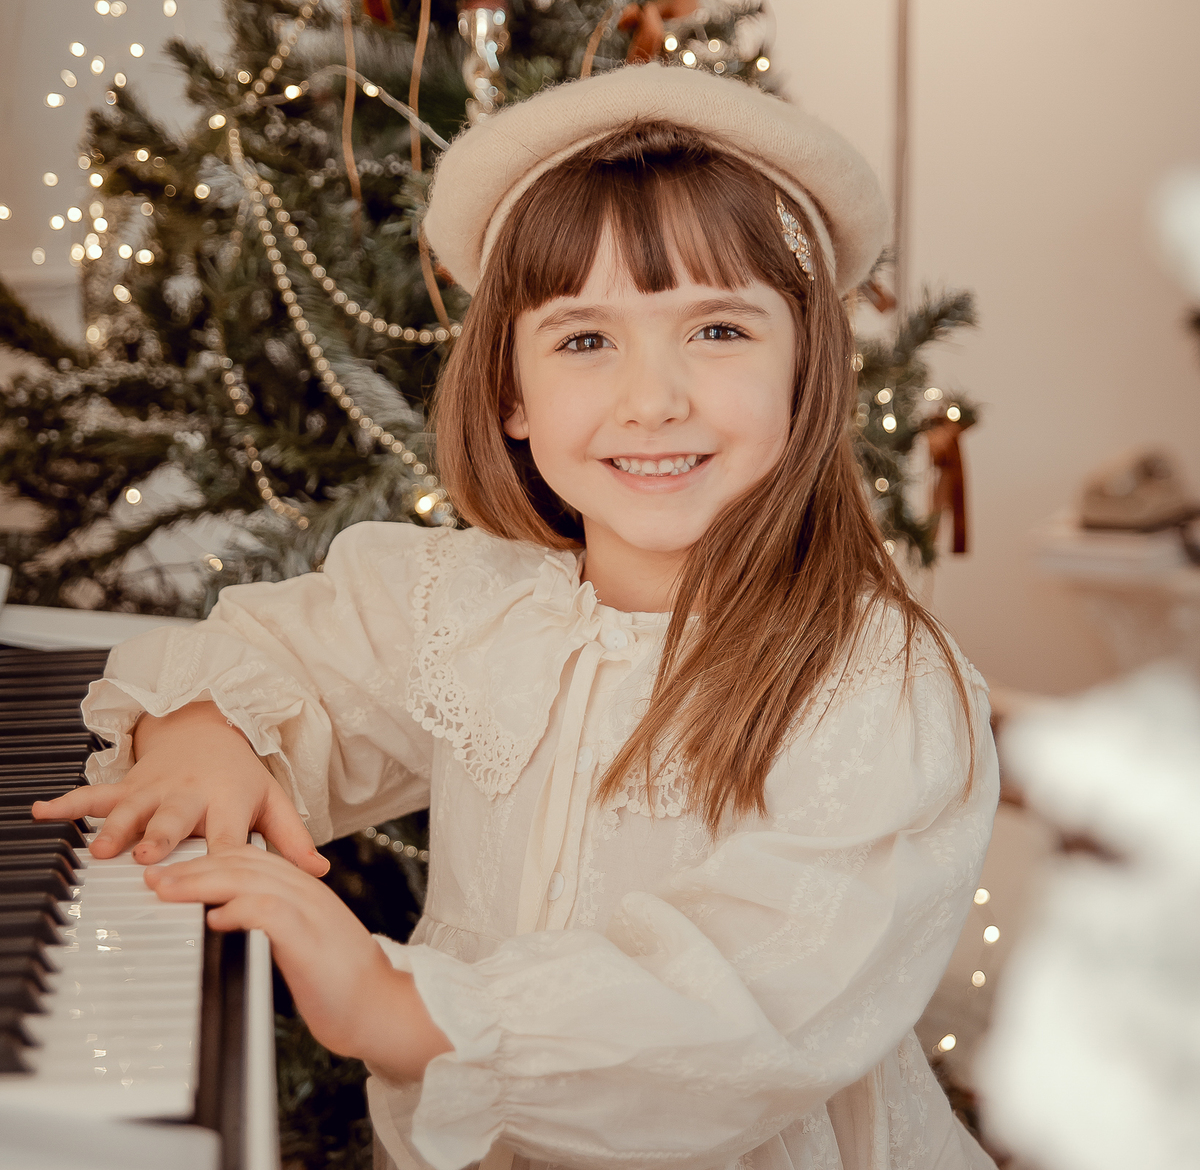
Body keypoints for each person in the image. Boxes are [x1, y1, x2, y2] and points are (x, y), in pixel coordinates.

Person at [36, 64, 1000, 1170]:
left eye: (719, 332)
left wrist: (403, 1008)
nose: (655, 399)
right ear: (511, 394)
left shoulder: (877, 682)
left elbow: (745, 1001)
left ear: (807, 370)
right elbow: (281, 657)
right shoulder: (467, 603)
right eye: (585, 340)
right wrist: (204, 732)